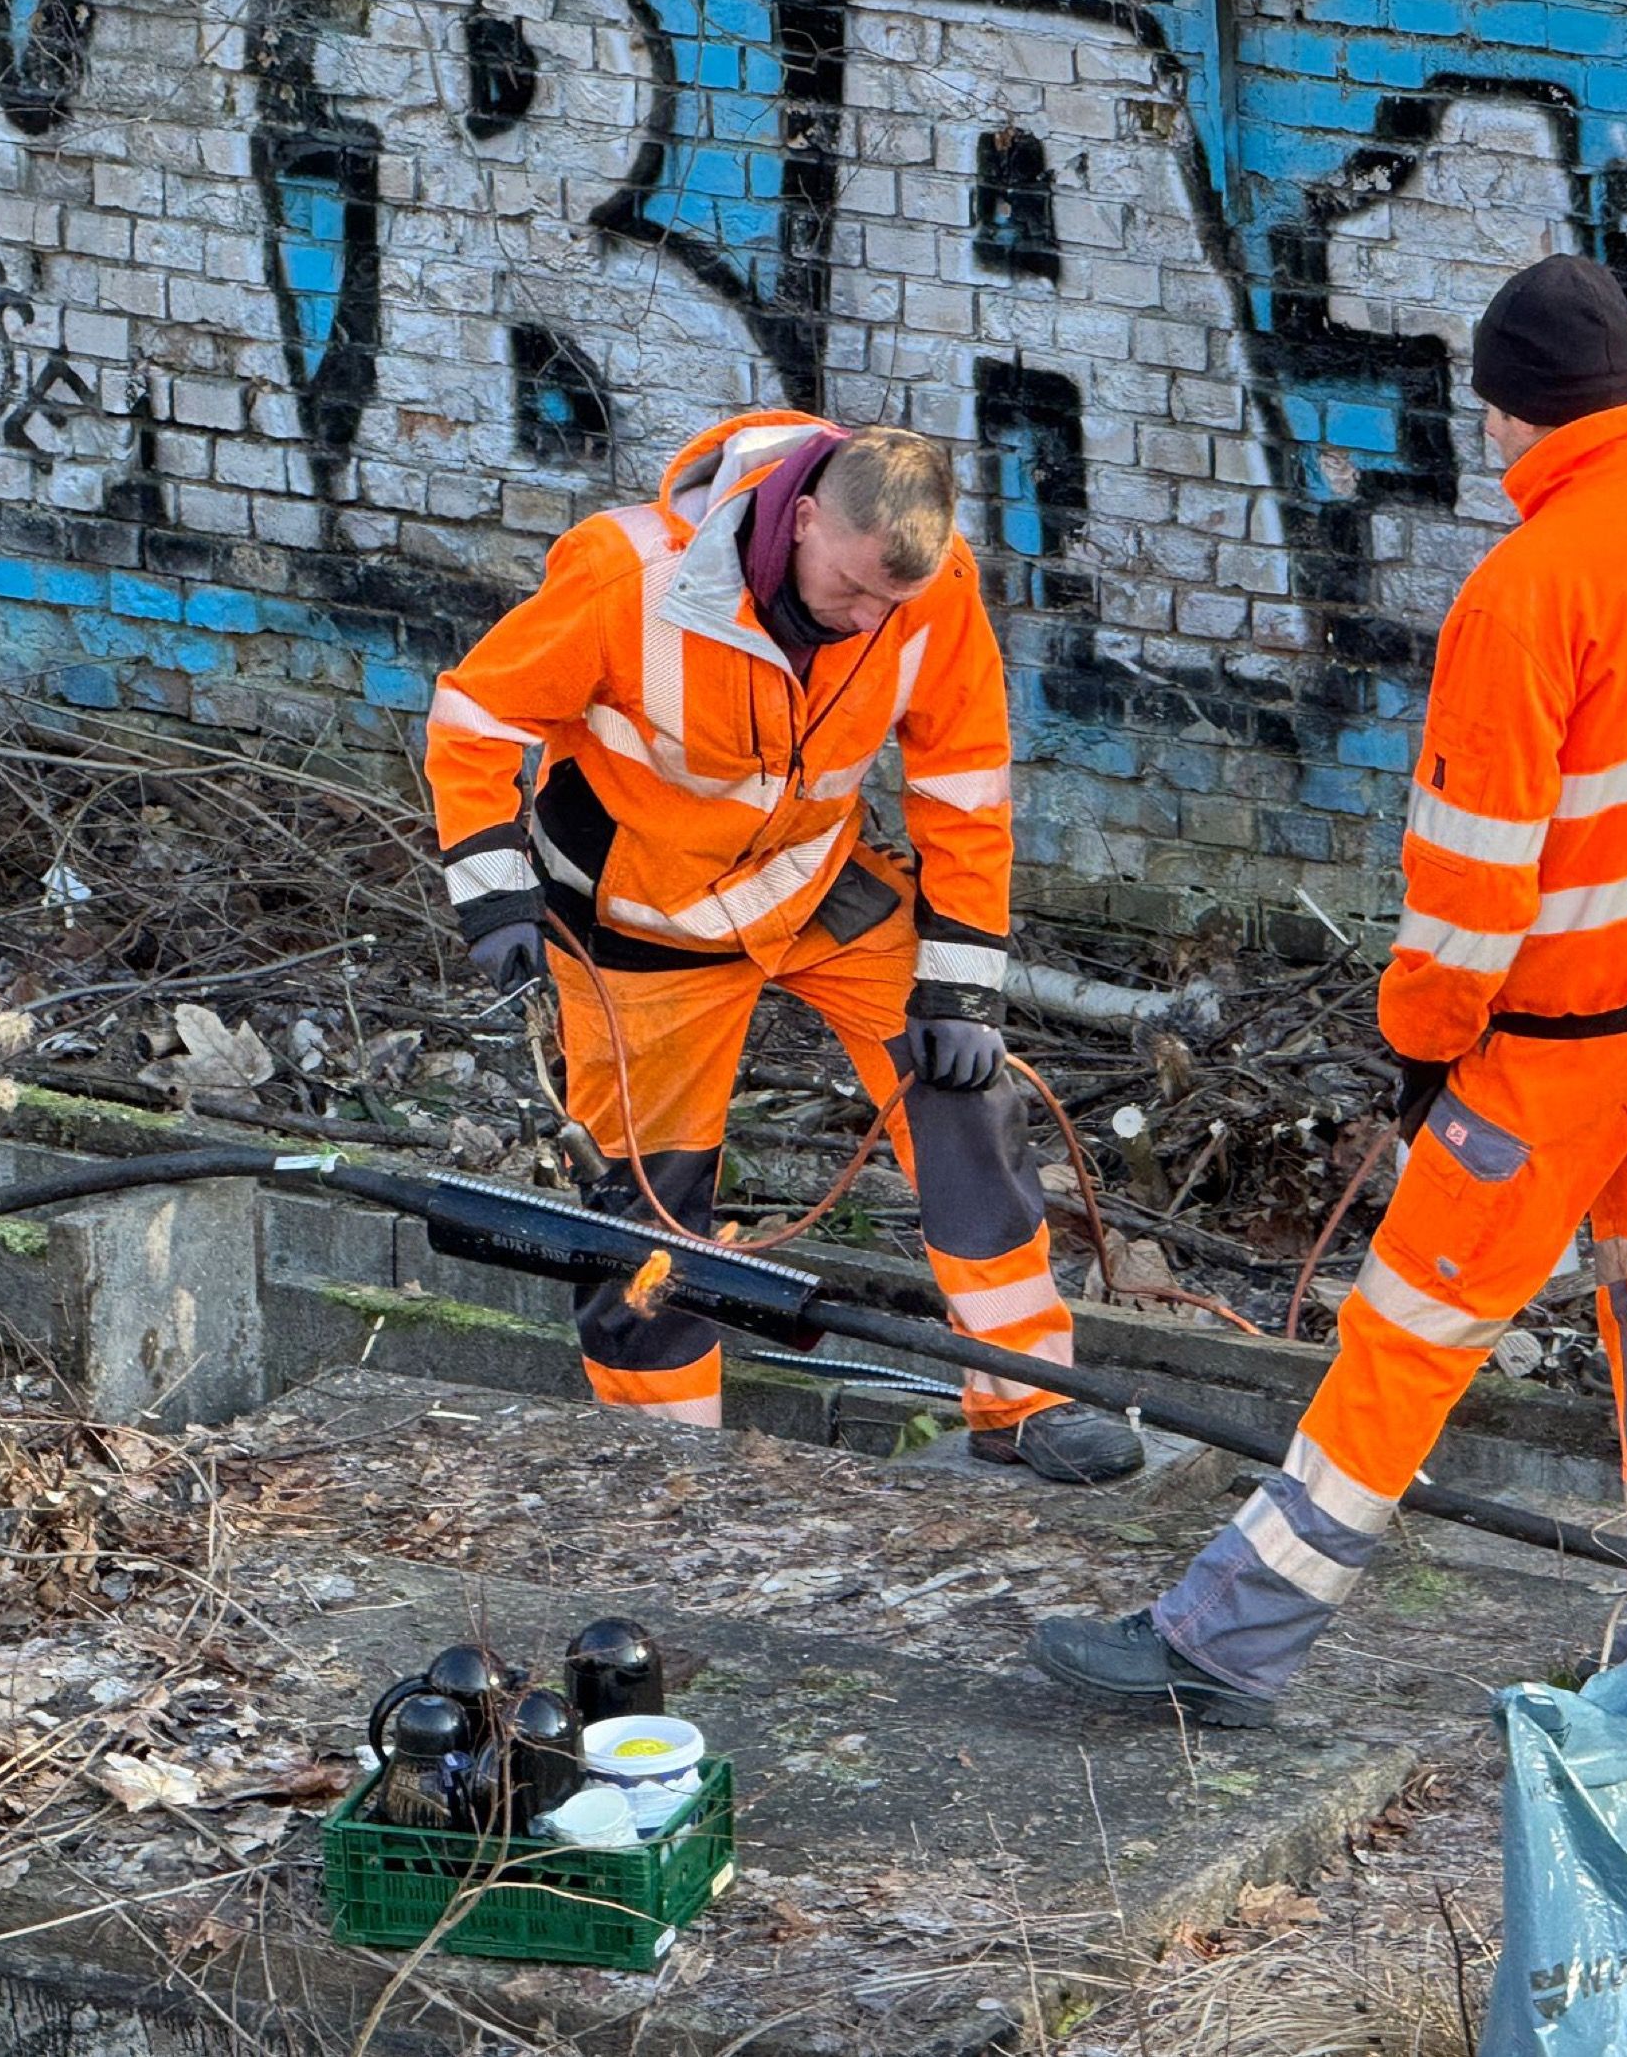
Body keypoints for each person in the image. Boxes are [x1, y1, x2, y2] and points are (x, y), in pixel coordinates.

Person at [1028, 254, 1627, 1725]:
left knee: (1407, 1335)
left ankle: (1224, 1643)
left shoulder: (1525, 589)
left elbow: (1472, 882)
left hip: (1552, 1056)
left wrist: (1420, 1048)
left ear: (1497, 412)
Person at [420, 410, 1142, 1482]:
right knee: (647, 1209)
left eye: (888, 603)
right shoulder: (633, 579)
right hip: (640, 921)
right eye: (850, 591)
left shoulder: (926, 590)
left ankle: (1026, 1401)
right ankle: (668, 1466)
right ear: (798, 518)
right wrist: (494, 899)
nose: (864, 620)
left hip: (809, 886)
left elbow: (963, 781)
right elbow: (475, 717)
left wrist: (962, 991)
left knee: (965, 1095)